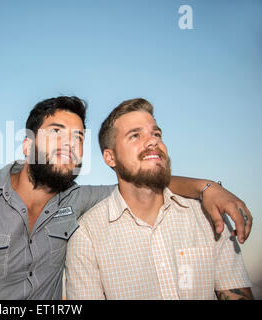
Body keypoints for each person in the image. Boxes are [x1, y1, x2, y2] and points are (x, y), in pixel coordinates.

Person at [0, 96, 252, 300]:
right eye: (57, 132)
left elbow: (141, 181)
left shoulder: (81, 203)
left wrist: (208, 187)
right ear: (27, 146)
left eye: (79, 137)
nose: (71, 143)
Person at [65, 98, 253, 300]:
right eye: (135, 135)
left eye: (156, 134)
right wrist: (204, 186)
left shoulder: (209, 215)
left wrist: (207, 187)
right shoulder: (87, 236)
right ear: (110, 158)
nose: (153, 140)